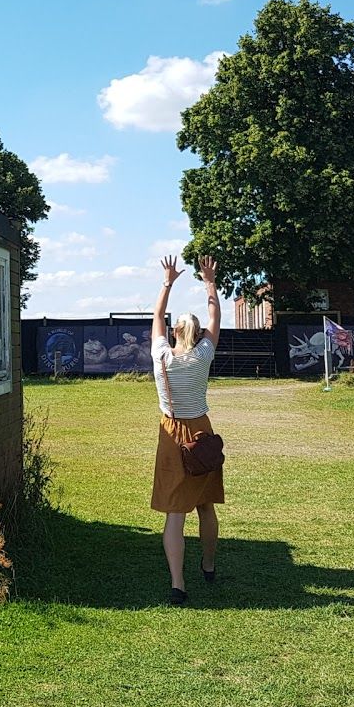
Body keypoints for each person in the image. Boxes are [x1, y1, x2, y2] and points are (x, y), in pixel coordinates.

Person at [150, 253, 224, 606]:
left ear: (175, 331)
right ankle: (208, 564)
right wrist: (209, 280)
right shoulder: (204, 354)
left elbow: (155, 319)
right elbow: (215, 317)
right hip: (201, 433)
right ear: (196, 333)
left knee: (174, 513)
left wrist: (168, 282)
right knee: (206, 506)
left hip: (171, 434)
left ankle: (178, 584)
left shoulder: (161, 356)